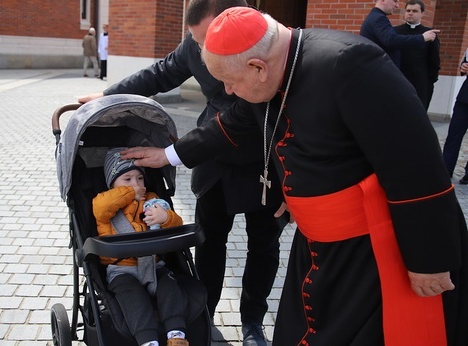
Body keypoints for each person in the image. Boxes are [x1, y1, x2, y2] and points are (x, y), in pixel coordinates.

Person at [121, 7, 468, 346]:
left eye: (229, 81)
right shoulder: (273, 71)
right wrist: (165, 155)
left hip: (370, 252)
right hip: (315, 246)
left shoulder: (351, 64)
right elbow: (229, 126)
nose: (226, 92)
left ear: (258, 67)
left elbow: (416, 165)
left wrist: (430, 261)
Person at [78, 1, 285, 345]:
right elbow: (160, 73)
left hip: (261, 162)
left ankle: (252, 322)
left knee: (264, 245)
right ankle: (204, 316)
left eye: (207, 40)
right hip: (213, 159)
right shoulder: (194, 43)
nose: (204, 50)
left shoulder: (265, 46)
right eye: (199, 42)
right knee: (209, 242)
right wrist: (105, 96)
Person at [93, 147, 188, 346]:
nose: (136, 184)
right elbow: (101, 208)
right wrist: (129, 193)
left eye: (140, 179)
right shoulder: (105, 203)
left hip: (154, 266)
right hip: (122, 270)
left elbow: (176, 225)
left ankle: (176, 335)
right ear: (112, 184)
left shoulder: (152, 199)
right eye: (127, 179)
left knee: (170, 288)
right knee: (133, 297)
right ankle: (148, 341)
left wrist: (165, 217)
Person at [360, 0, 439, 68]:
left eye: (414, 11)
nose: (397, 5)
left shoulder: (375, 17)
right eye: (395, 1)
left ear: (422, 13)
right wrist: (422, 38)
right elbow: (391, 40)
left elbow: (434, 61)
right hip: (378, 72)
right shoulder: (379, 18)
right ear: (383, 0)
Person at [394, 0, 441, 109]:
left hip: (420, 82)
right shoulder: (395, 32)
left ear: (422, 14)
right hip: (399, 79)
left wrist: (430, 80)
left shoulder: (429, 33)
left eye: (414, 11)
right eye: (408, 10)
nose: (410, 13)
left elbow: (434, 59)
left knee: (417, 113)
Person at [442, 54, 468, 184]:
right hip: (464, 99)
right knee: (453, 135)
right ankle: (445, 170)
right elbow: (464, 66)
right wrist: (463, 67)